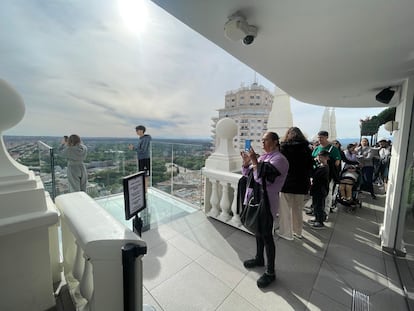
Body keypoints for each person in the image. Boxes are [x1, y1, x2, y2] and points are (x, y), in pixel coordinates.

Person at [241, 132, 289, 288]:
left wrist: (255, 161)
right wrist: (246, 163)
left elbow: (262, 179)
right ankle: (259, 258)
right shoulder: (264, 157)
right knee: (258, 230)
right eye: (261, 140)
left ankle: (270, 272)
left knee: (267, 236)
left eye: (265, 140)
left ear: (275, 142)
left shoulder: (279, 160)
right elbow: (248, 175)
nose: (262, 143)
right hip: (256, 198)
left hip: (268, 200)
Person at [278, 127, 313, 240]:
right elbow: (310, 167)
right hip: (302, 183)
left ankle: (286, 233)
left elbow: (280, 166)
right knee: (298, 209)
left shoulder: (283, 148)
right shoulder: (307, 149)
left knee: (285, 210)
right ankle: (298, 232)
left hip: (287, 182)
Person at [309, 131, 341, 217]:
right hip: (316, 174)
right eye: (318, 137)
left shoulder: (333, 149)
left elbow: (337, 163)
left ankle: (325, 213)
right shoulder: (316, 148)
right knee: (316, 194)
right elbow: (312, 159)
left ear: (326, 137)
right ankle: (315, 210)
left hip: (328, 175)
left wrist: (326, 161)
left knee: (327, 193)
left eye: (321, 137)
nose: (319, 139)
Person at [308, 150, 330, 229]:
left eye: (322, 157)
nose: (320, 158)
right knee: (315, 204)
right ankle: (317, 217)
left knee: (319, 205)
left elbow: (315, 175)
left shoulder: (324, 168)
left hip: (320, 190)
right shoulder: (320, 166)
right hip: (316, 189)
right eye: (319, 156)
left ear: (326, 158)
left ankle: (320, 221)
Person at [129, 125, 152, 189]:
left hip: (145, 159)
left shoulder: (145, 139)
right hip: (141, 158)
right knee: (142, 174)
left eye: (137, 130)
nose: (136, 132)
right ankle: (143, 189)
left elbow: (143, 150)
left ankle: (145, 189)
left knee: (145, 175)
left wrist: (133, 148)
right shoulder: (141, 138)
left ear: (142, 130)